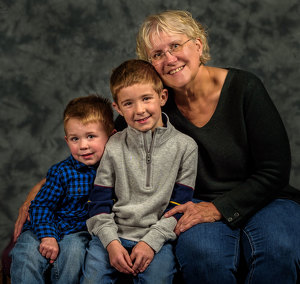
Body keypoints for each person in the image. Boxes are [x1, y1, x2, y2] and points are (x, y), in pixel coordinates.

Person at [13, 9, 300, 284]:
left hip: (266, 198)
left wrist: (219, 209)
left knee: (280, 249)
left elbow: (274, 171)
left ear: (198, 45)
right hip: (192, 203)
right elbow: (99, 149)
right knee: (204, 256)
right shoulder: (149, 108)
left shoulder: (244, 88)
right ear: (151, 65)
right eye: (158, 54)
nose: (170, 58)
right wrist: (39, 189)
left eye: (176, 45)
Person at [81, 59, 198, 284]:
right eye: (128, 103)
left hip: (157, 239)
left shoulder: (186, 147)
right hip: (111, 236)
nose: (139, 110)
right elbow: (98, 204)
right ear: (117, 107)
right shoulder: (113, 145)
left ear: (162, 97)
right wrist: (111, 243)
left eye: (146, 99)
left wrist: (151, 242)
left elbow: (179, 208)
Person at [11, 95, 115, 284]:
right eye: (75, 139)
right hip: (43, 227)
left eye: (91, 136)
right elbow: (41, 206)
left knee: (74, 252)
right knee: (26, 254)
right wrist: (48, 235)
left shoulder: (116, 172)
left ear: (112, 136)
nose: (83, 146)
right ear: (67, 140)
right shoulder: (62, 172)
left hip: (78, 232)